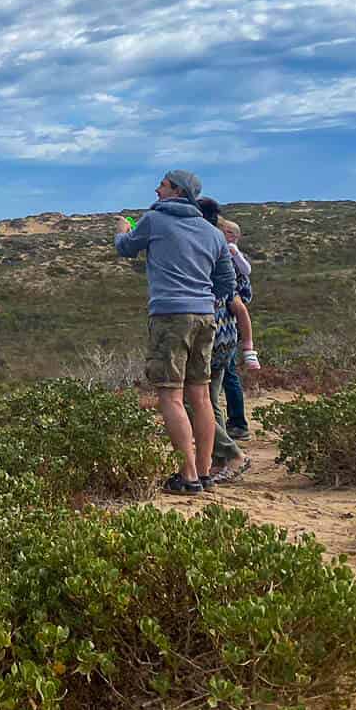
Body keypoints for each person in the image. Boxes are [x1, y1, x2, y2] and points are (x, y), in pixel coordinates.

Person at [114, 169, 236, 495]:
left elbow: (126, 248)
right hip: (205, 317)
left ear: (178, 192)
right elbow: (227, 282)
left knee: (171, 395)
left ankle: (189, 476)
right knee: (201, 394)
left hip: (170, 317)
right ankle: (206, 471)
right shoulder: (212, 233)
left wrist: (122, 230)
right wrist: (203, 294)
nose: (156, 190)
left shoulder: (155, 221)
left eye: (163, 185)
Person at [193, 199, 251, 483]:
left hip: (212, 333)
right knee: (210, 398)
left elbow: (236, 298)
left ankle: (230, 453)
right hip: (225, 335)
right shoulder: (223, 248)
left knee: (194, 399)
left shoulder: (210, 248)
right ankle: (219, 458)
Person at [217, 217, 258, 442]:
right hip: (229, 313)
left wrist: (234, 253)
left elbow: (245, 271)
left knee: (228, 371)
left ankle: (238, 422)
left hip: (230, 316)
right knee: (226, 371)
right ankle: (233, 421)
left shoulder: (233, 255)